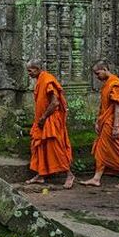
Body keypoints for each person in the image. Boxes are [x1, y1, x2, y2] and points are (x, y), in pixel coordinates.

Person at [79, 60, 119, 189]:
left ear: (105, 69)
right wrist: (98, 121)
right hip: (105, 122)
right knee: (101, 150)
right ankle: (96, 178)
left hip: (113, 123)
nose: (97, 77)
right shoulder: (107, 84)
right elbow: (104, 106)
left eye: (98, 73)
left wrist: (115, 126)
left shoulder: (115, 84)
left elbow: (118, 107)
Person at [25, 59, 76, 189]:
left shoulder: (47, 80)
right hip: (42, 120)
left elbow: (55, 103)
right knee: (39, 146)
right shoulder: (40, 80)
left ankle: (69, 175)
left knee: (55, 148)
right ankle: (41, 175)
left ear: (37, 69)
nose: (29, 74)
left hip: (50, 119)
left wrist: (43, 117)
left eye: (30, 71)